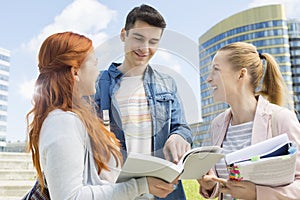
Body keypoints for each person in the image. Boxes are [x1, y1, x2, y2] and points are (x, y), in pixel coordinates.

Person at [26, 31, 177, 200]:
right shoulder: (62, 122)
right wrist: (140, 186)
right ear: (75, 72)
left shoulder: (76, 118)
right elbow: (70, 197)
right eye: (94, 64)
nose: (98, 72)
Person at [94, 4, 192, 200]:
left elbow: (182, 128)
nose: (145, 48)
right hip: (117, 191)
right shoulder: (98, 84)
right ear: (124, 35)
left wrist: (179, 137)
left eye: (153, 42)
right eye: (138, 38)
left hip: (163, 192)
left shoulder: (167, 84)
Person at [197, 41, 300, 200]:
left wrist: (257, 194)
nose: (209, 79)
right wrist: (213, 186)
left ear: (241, 74)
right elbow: (228, 188)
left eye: (216, 70)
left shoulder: (281, 119)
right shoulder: (217, 125)